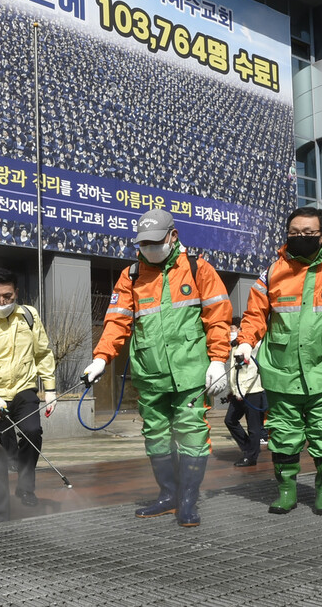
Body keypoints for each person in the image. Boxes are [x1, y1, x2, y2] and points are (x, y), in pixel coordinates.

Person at [83, 209, 232, 527]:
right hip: (150, 374)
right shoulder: (131, 276)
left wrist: (219, 360)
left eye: (155, 242)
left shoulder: (198, 269)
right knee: (156, 435)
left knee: (192, 433)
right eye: (143, 243)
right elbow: (116, 321)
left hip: (191, 371)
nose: (148, 248)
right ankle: (168, 495)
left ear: (173, 236)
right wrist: (101, 357)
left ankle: (188, 501)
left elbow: (218, 318)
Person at [236, 207, 322, 516]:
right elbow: (254, 315)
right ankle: (287, 491)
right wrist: (246, 343)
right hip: (281, 373)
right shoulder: (272, 273)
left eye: (308, 233)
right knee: (283, 436)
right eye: (294, 233)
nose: (300, 238)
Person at [0, 267, 57, 520]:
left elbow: (43, 351)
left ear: (16, 292)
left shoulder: (28, 316)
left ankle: (25, 487)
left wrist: (50, 388)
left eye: (8, 296)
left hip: (23, 388)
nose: (2, 302)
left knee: (32, 432)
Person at [225, 321, 265, 467]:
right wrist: (232, 390)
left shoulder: (253, 344)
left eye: (237, 329)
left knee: (253, 426)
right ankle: (250, 448)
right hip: (238, 391)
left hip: (251, 390)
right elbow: (234, 370)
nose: (234, 331)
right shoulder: (236, 344)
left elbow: (251, 369)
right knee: (230, 420)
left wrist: (241, 389)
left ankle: (251, 457)